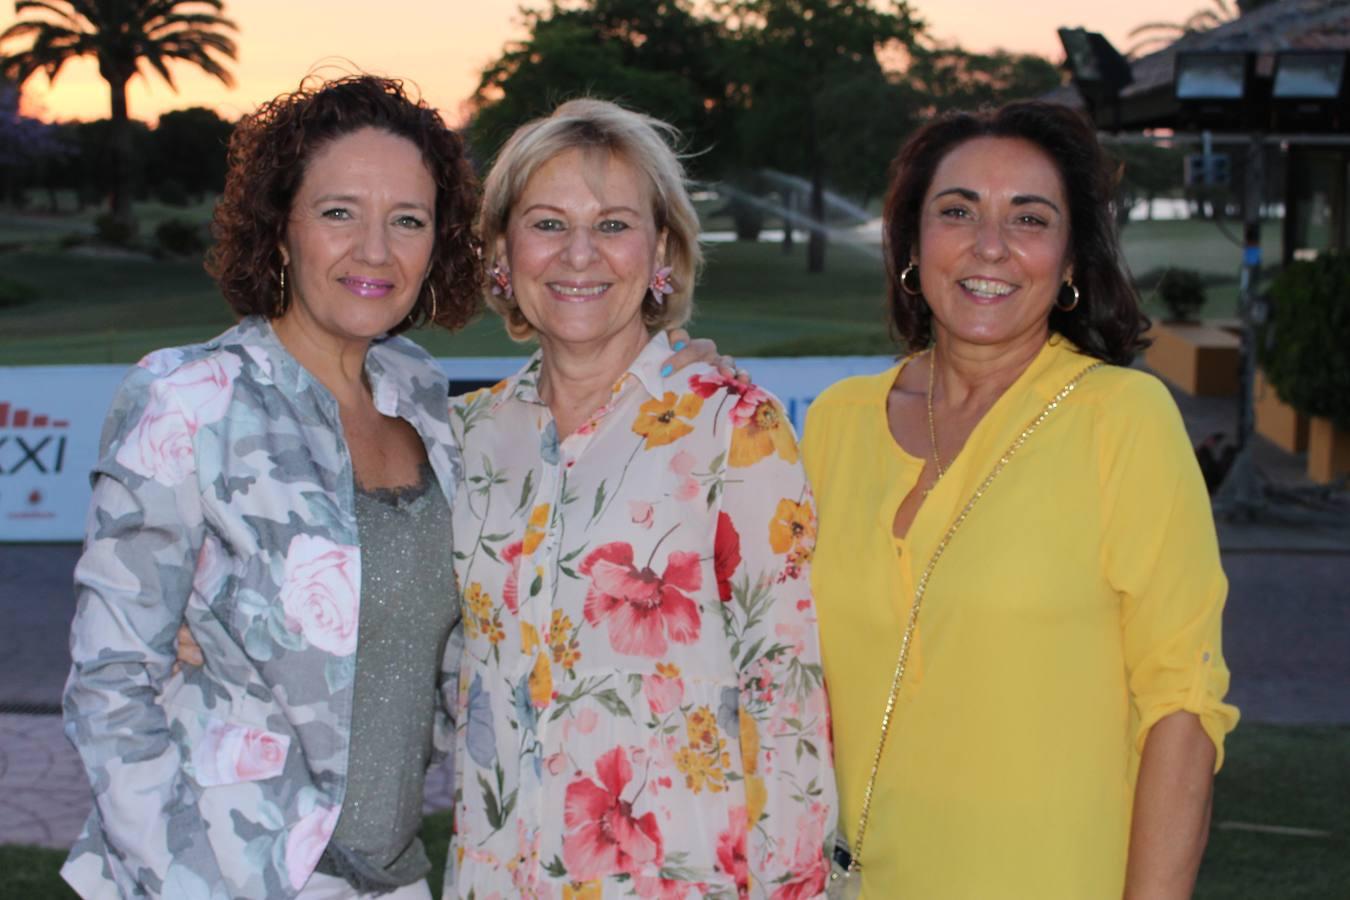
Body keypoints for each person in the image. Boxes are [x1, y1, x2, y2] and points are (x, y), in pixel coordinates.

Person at [59, 74, 481, 900]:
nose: (374, 250)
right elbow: (111, 685)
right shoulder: (189, 402)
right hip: (223, 874)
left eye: (407, 220)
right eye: (338, 212)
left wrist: (670, 352)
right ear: (280, 230)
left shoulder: (426, 399)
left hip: (392, 876)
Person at [802, 101, 1239, 899]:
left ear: (1071, 260)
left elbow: (1182, 709)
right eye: (958, 211)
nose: (990, 245)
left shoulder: (1123, 422)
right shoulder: (835, 426)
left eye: (1029, 218)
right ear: (911, 242)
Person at [445, 98, 836, 898]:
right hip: (494, 875)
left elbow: (786, 696)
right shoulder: (463, 438)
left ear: (660, 249)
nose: (579, 255)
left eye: (614, 225)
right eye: (547, 223)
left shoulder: (733, 426)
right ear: (501, 251)